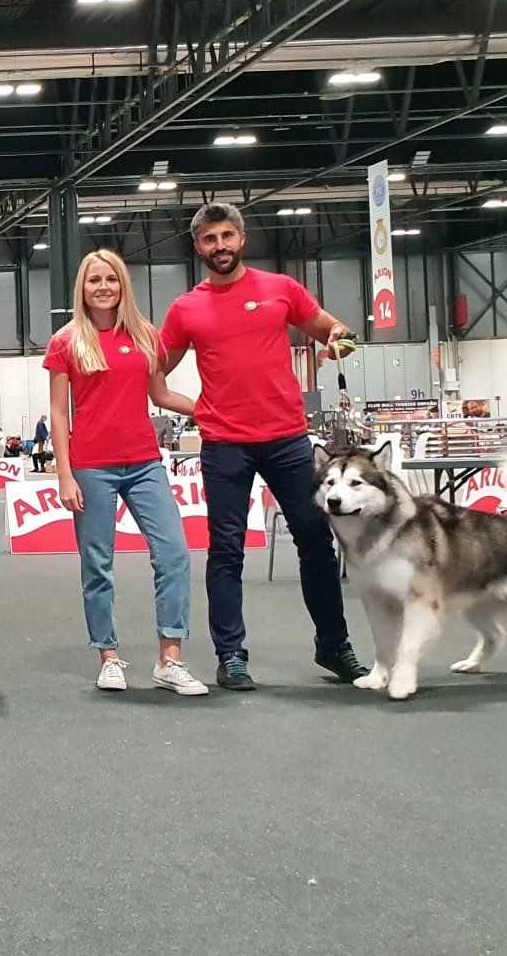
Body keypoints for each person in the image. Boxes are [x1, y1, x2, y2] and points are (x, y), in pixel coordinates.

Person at [159, 203, 367, 691]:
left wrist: (340, 341)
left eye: (226, 236)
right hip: (224, 446)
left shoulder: (281, 289)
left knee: (316, 543)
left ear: (242, 238)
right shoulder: (186, 308)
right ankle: (231, 655)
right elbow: (153, 376)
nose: (220, 246)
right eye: (210, 239)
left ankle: (334, 645)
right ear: (198, 247)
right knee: (226, 553)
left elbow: (339, 336)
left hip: (288, 440)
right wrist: (197, 410)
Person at [47, 250, 208, 696]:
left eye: (111, 279)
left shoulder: (144, 335)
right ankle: (109, 657)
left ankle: (169, 659)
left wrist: (210, 411)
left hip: (144, 464)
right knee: (97, 565)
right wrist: (64, 475)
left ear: (123, 285)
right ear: (82, 288)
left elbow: (161, 394)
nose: (103, 287)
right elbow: (58, 414)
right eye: (94, 280)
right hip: (90, 467)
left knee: (174, 555)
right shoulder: (65, 341)